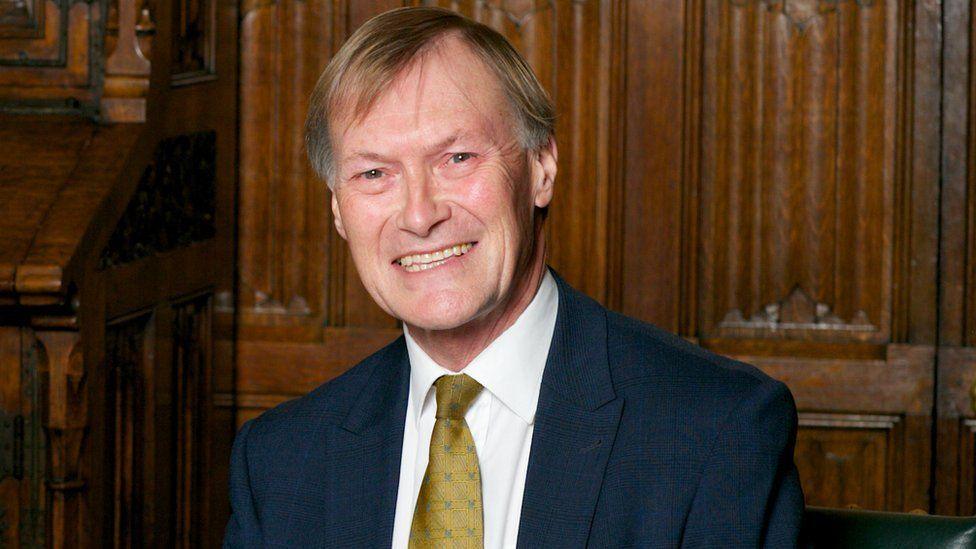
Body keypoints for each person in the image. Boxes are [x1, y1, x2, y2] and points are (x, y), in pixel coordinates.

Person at [224, 6, 804, 548]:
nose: (421, 214)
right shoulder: (279, 463)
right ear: (337, 210)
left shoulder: (715, 430)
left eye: (458, 159)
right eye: (374, 173)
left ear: (541, 169)